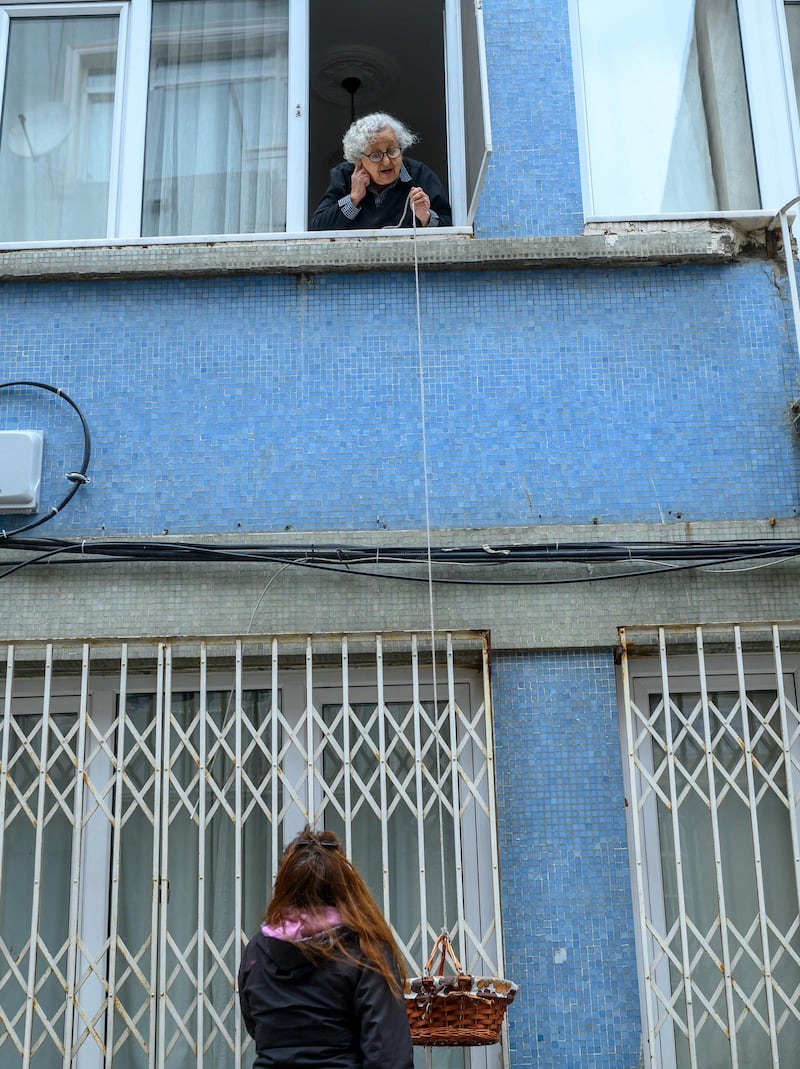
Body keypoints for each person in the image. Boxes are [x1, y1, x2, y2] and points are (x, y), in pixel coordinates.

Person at [238, 825, 414, 1069]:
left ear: (285, 887)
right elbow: (389, 1056)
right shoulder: (366, 949)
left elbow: (256, 1027)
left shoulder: (255, 950)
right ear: (347, 888)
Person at [311, 112, 452, 231]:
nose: (386, 161)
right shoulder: (343, 175)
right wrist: (353, 199)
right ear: (358, 160)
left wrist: (425, 216)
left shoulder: (419, 174)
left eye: (392, 151)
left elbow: (450, 228)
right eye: (376, 155)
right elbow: (318, 227)